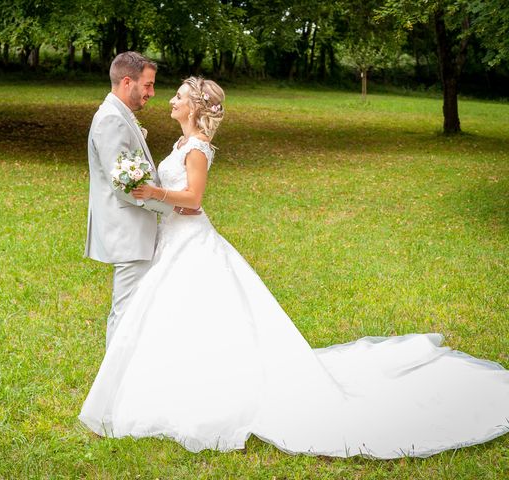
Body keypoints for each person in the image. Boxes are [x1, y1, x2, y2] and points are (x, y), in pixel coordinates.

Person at [79, 76, 509, 458]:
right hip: (173, 239)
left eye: (177, 96)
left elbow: (193, 201)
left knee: (202, 311)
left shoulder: (196, 148)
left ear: (194, 106)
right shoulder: (178, 144)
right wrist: (153, 194)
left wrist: (153, 190)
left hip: (190, 239)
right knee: (174, 315)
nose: (169, 100)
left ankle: (212, 387)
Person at [85, 52, 198, 349]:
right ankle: (114, 387)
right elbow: (126, 185)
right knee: (126, 314)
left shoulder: (119, 115)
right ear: (127, 82)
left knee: (135, 311)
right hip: (129, 233)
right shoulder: (111, 120)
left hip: (136, 231)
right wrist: (173, 207)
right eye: (147, 86)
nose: (151, 93)